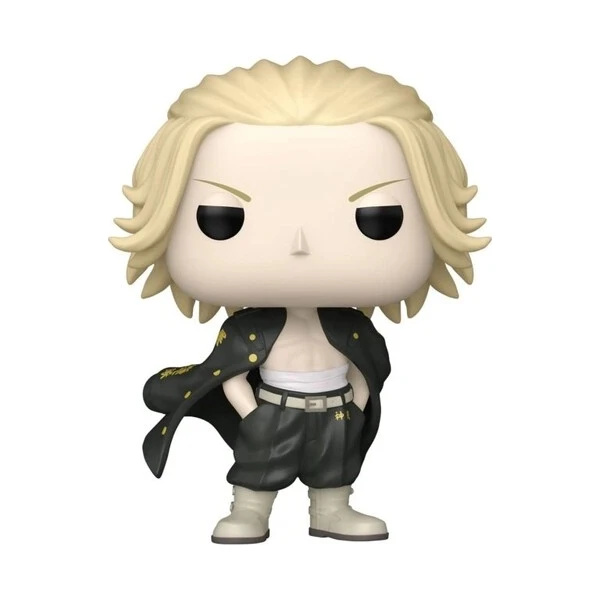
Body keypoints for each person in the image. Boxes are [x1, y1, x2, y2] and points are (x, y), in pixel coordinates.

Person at [110, 56, 489, 544]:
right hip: (273, 407)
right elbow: (229, 372)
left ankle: (332, 510)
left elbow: (368, 366)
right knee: (258, 465)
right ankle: (249, 511)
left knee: (336, 465)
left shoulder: (352, 329)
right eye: (222, 218)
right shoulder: (248, 329)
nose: (300, 245)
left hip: (336, 410)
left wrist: (358, 401)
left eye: (378, 218)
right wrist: (251, 412)